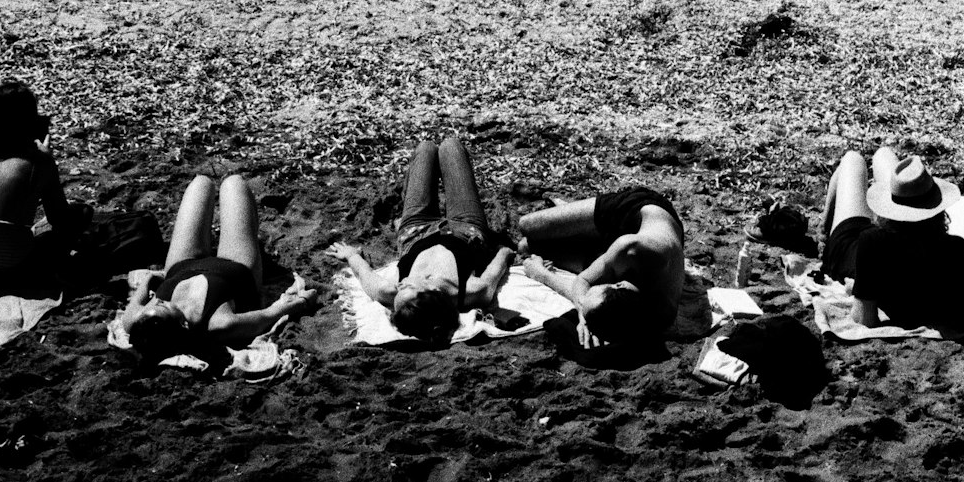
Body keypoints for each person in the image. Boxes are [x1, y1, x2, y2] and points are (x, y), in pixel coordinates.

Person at [328, 136, 514, 345]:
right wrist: (504, 251)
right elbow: (498, 266)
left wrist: (351, 255)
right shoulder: (470, 291)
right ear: (432, 291)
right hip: (466, 228)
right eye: (406, 289)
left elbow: (365, 274)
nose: (400, 285)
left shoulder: (387, 292)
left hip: (415, 229)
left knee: (425, 148)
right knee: (450, 146)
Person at [122, 173, 316, 364]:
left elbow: (138, 301)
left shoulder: (139, 323)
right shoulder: (220, 323)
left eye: (155, 303)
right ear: (184, 324)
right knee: (234, 183)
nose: (157, 302)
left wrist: (149, 280)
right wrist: (301, 302)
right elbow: (267, 316)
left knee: (201, 182)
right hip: (234, 266)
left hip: (181, 265)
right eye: (163, 306)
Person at [821, 146, 964, 329]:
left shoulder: (872, 242)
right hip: (888, 246)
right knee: (884, 154)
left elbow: (864, 320)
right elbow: (961, 311)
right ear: (937, 206)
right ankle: (905, 187)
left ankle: (823, 235)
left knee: (853, 159)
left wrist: (854, 289)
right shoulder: (957, 248)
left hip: (849, 248)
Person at [519, 185, 686, 348]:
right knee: (527, 226)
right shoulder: (629, 249)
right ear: (618, 283)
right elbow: (583, 280)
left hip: (616, 252)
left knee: (526, 247)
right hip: (634, 211)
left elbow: (588, 285)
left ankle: (580, 228)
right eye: (598, 286)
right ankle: (574, 214)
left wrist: (588, 316)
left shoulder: (659, 315)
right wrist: (580, 311)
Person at [0, 79, 83, 293]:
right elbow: (59, 219)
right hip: (11, 266)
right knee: (79, 214)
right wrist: (47, 160)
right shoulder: (37, 162)